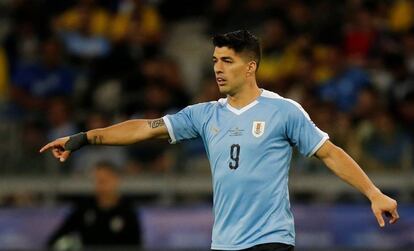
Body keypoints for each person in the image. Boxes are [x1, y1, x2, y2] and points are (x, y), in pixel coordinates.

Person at [40, 30, 399, 251]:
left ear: (250, 66)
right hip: (224, 243)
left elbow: (330, 153)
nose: (217, 68)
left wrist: (373, 193)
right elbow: (142, 128)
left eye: (227, 60)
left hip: (271, 241)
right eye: (215, 60)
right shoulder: (204, 114)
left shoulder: (283, 111)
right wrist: (83, 138)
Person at [47, 161, 141, 249]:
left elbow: (136, 246)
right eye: (97, 181)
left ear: (116, 180)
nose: (100, 186)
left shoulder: (127, 210)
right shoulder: (84, 208)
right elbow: (56, 239)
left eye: (104, 181)